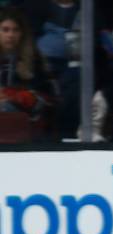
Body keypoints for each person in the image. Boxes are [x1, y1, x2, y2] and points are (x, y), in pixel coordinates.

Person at [0, 7, 55, 139]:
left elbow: (47, 97)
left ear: (22, 33)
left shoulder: (35, 60)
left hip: (24, 119)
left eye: (15, 30)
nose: (10, 35)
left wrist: (11, 96)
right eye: (5, 30)